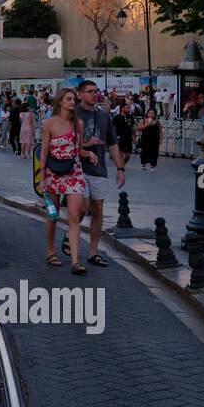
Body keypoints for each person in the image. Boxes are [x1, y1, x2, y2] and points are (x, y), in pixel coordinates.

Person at [39, 87, 96, 273]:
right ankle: (50, 251)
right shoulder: (49, 123)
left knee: (75, 214)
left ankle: (75, 261)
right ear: (60, 101)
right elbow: (44, 151)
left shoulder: (78, 124)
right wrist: (42, 177)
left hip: (74, 172)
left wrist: (88, 153)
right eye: (69, 99)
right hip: (53, 173)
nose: (73, 102)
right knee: (53, 215)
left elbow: (78, 149)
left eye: (74, 99)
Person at [72, 78, 126, 267]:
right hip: (76, 168)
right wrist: (86, 144)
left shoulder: (104, 116)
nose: (95, 94)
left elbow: (112, 144)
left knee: (98, 210)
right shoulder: (72, 114)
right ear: (80, 94)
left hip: (98, 169)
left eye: (96, 91)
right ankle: (71, 231)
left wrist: (120, 169)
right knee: (82, 207)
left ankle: (93, 252)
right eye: (90, 91)